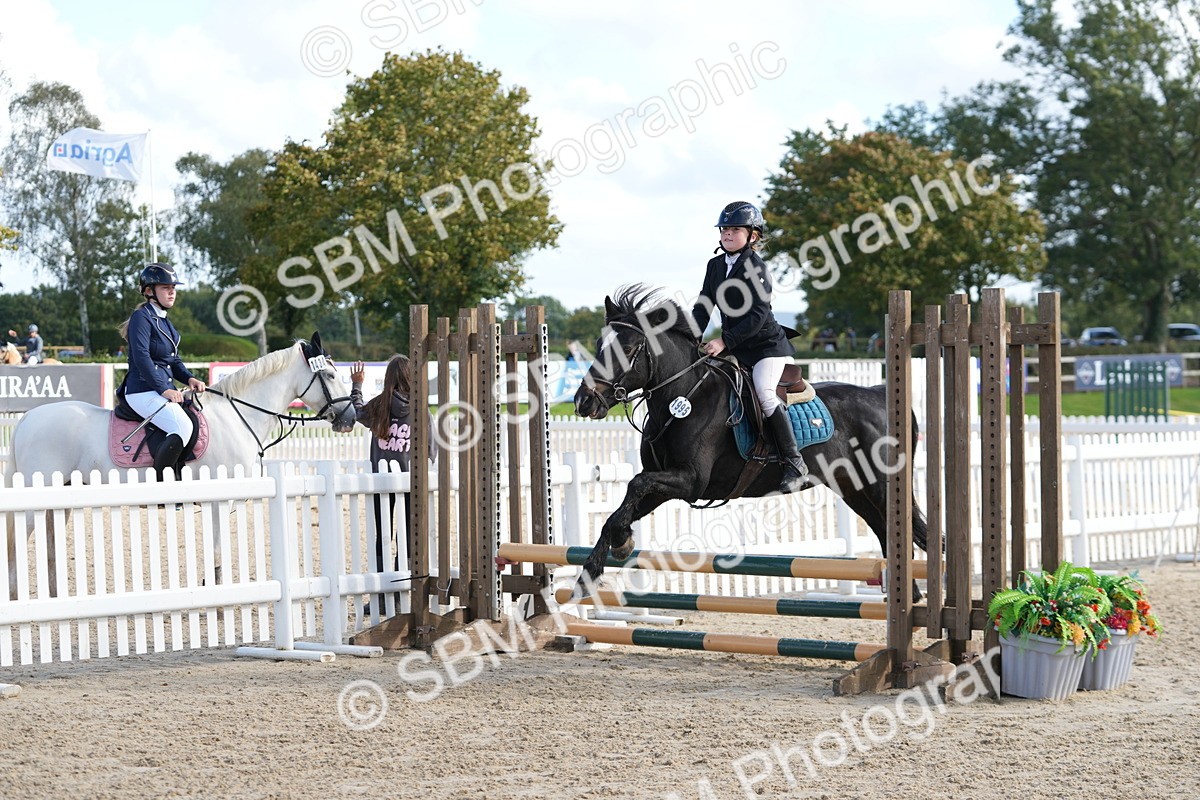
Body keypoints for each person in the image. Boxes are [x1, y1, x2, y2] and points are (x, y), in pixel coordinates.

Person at [691, 200, 807, 493]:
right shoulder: (715, 265)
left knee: (765, 393)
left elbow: (757, 316)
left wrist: (723, 341)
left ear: (752, 235)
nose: (727, 234)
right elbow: (704, 305)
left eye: (734, 229)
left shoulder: (756, 267)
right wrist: (690, 339)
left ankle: (795, 463)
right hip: (737, 346)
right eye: (724, 229)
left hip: (766, 347)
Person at [349, 356, 437, 586]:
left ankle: (382, 585)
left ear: (388, 378)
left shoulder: (379, 405)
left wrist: (357, 385)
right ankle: (401, 584)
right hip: (410, 481)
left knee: (382, 535)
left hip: (381, 481)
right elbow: (431, 449)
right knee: (406, 535)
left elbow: (356, 412)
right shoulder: (420, 409)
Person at [118, 263, 207, 479]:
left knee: (194, 419)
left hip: (159, 390)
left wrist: (189, 378)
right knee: (182, 427)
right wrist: (163, 389)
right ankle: (159, 485)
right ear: (149, 291)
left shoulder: (165, 322)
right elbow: (142, 358)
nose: (172, 292)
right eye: (166, 288)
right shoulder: (141, 317)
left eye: (173, 288)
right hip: (142, 391)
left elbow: (173, 360)